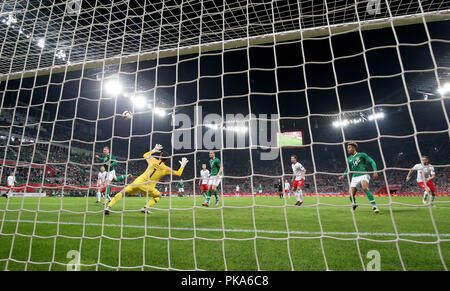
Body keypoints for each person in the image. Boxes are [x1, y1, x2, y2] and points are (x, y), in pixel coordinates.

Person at [104, 144, 189, 215]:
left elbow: (145, 155)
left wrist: (154, 150)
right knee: (159, 195)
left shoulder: (152, 160)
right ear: (166, 160)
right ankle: (145, 208)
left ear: (160, 157)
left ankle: (108, 207)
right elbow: (178, 173)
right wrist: (183, 165)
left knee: (122, 192)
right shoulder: (166, 169)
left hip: (137, 182)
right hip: (148, 188)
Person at [338, 142, 379, 213]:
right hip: (354, 177)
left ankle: (374, 206)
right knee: (351, 195)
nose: (348, 150)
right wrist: (343, 175)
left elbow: (372, 161)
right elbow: (348, 169)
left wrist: (375, 171)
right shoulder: (349, 159)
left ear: (353, 148)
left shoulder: (362, 155)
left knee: (364, 187)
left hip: (363, 175)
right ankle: (354, 204)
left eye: (349, 148)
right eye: (347, 148)